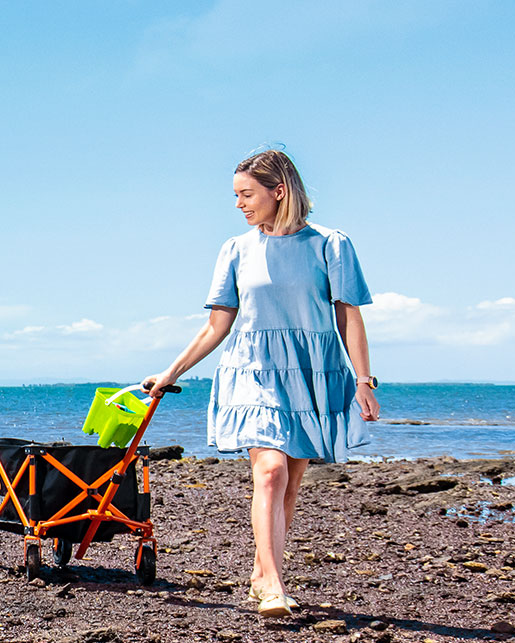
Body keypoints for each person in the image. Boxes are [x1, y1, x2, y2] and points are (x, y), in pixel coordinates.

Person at [143, 149, 379, 618]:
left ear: (280, 190)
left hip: (312, 373)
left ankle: (259, 571)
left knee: (289, 485)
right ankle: (273, 586)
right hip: (252, 370)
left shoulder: (331, 245)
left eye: (246, 194)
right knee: (269, 471)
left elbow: (348, 316)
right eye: (236, 195)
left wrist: (364, 380)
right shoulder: (235, 249)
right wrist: (171, 372)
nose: (239, 204)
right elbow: (217, 325)